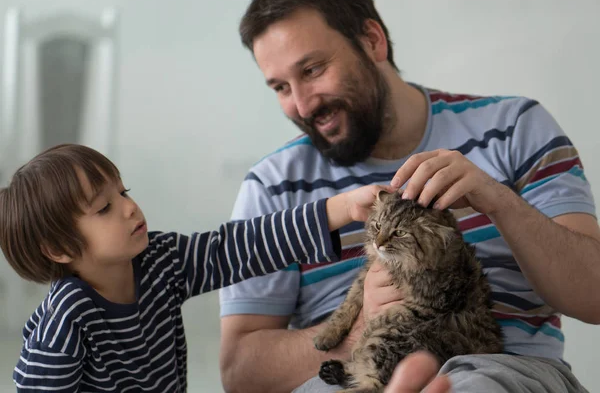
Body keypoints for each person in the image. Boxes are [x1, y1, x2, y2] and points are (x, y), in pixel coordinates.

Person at [218, 0, 600, 392]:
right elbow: (240, 374)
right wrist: (360, 327)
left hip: (496, 370)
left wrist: (500, 203)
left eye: (313, 70)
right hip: (347, 376)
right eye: (280, 87)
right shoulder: (270, 186)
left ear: (372, 40)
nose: (301, 104)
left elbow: (594, 296)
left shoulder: (516, 128)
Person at [0, 143, 389, 392]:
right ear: (56, 248)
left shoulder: (162, 260)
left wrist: (341, 208)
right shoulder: (68, 315)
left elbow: (239, 247)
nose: (129, 207)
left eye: (123, 192)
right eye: (103, 208)